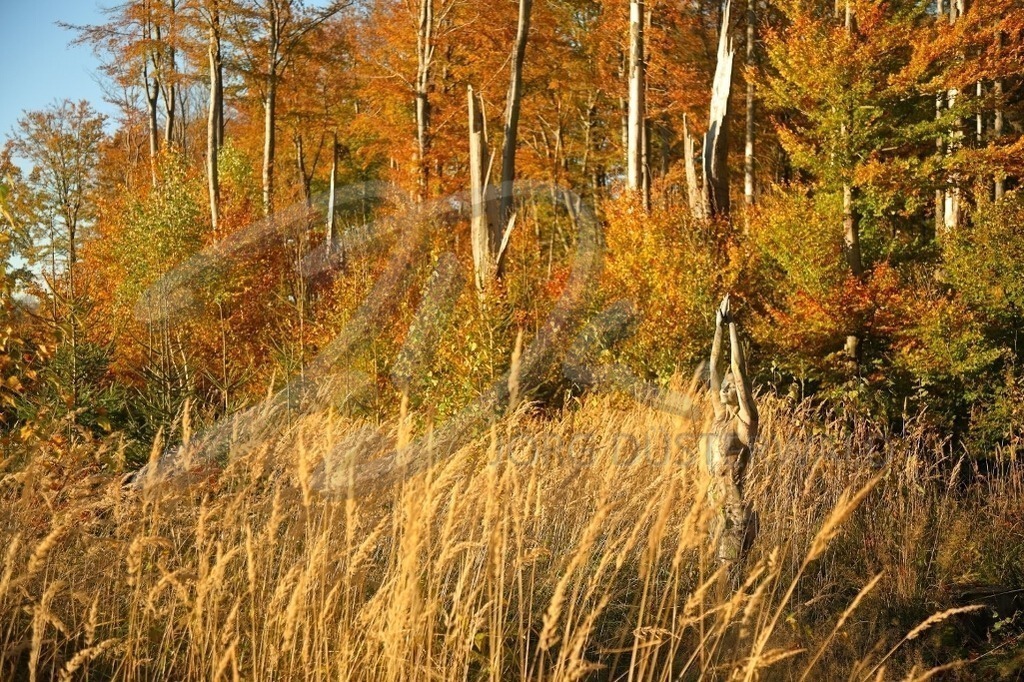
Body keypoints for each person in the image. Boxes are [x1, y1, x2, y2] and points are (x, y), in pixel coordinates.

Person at [702, 294, 758, 564]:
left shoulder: (744, 421)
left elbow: (737, 367)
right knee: (717, 581)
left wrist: (733, 323)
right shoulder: (720, 415)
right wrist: (718, 326)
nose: (724, 388)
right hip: (715, 505)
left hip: (734, 511)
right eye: (723, 385)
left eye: (730, 385)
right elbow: (714, 367)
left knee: (730, 575)